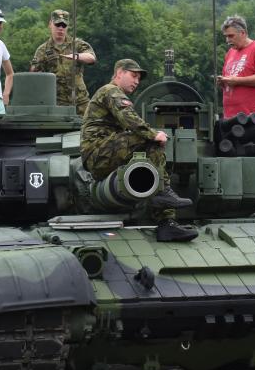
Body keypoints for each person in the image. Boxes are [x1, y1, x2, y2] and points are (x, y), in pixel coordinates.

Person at [81, 59, 197, 243]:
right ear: (119, 73)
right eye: (133, 75)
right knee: (151, 140)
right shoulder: (110, 91)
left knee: (149, 151)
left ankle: (167, 223)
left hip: (106, 153)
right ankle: (163, 195)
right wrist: (153, 134)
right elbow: (129, 118)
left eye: (139, 78)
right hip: (98, 153)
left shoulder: (113, 93)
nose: (136, 81)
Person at [30, 9, 96, 114]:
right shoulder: (42, 50)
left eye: (64, 25)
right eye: (57, 25)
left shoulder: (77, 44)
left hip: (80, 101)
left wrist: (76, 56)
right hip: (58, 102)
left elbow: (91, 57)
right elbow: (34, 75)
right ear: (50, 24)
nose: (60, 28)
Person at [216, 15, 255, 120]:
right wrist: (223, 82)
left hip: (251, 119)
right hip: (230, 118)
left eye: (231, 36)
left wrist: (236, 81)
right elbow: (232, 80)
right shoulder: (230, 53)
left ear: (242, 33)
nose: (227, 40)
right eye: (226, 36)